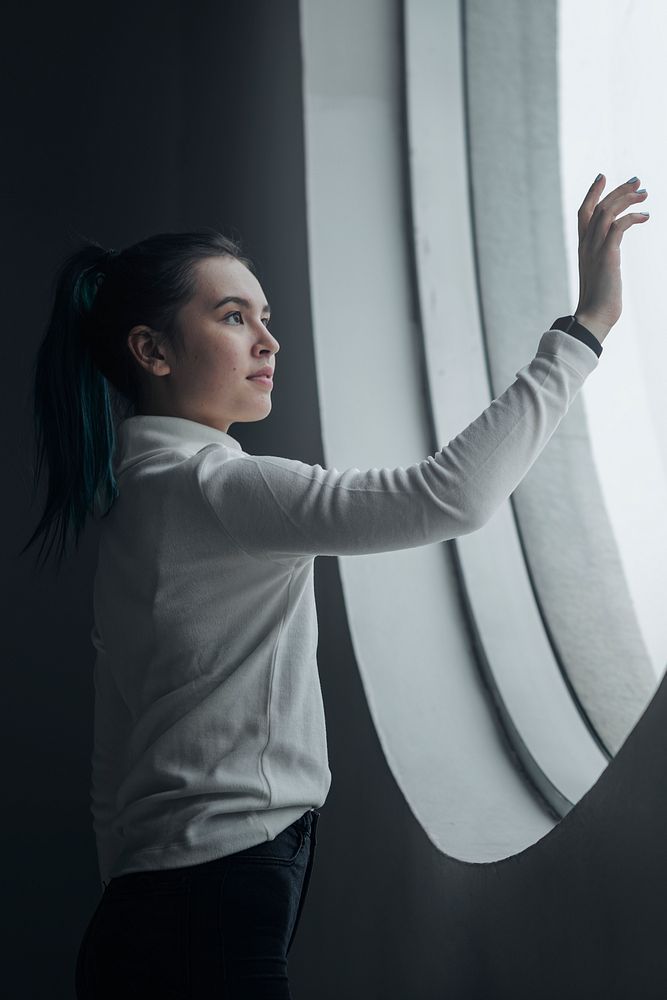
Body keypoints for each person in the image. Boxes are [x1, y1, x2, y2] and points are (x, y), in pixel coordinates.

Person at [20, 175, 648, 999]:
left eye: (265, 318)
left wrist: (134, 889)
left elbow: (115, 759)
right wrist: (584, 330)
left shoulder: (137, 507)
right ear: (152, 351)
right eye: (232, 316)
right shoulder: (220, 491)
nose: (266, 342)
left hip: (145, 912)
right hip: (210, 911)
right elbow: (446, 497)